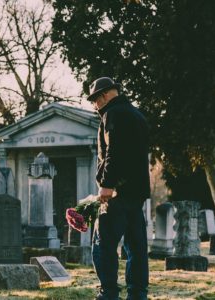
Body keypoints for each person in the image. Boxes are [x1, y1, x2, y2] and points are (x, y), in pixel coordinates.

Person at [87, 77, 150, 300]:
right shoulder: (137, 115)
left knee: (102, 246)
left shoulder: (112, 115)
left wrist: (106, 185)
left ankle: (108, 293)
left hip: (117, 193)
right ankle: (137, 294)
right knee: (136, 248)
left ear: (102, 96)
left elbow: (113, 152)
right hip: (137, 193)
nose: (95, 106)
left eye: (95, 101)